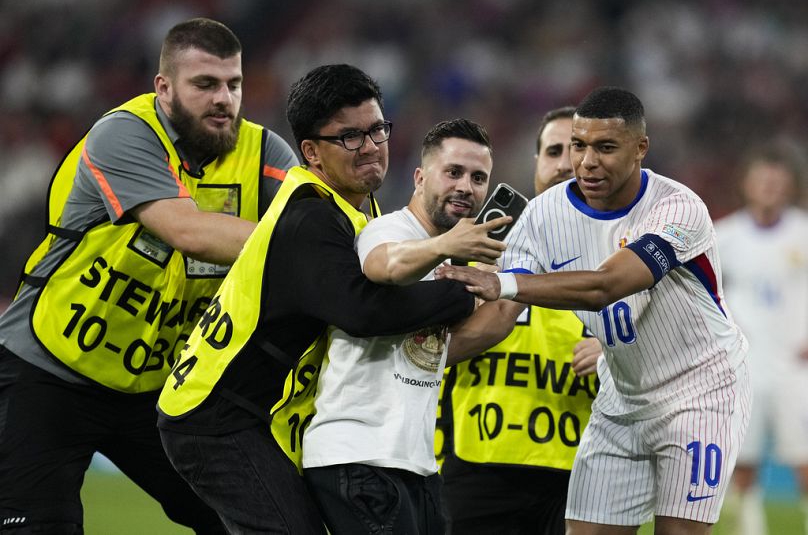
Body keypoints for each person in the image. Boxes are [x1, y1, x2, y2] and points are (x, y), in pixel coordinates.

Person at [157, 65, 488, 534]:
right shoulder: (310, 216)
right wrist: (460, 295)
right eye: (350, 137)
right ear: (311, 151)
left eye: (377, 129)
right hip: (215, 417)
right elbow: (361, 311)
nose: (371, 146)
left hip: (250, 409)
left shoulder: (355, 208)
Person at [0, 17, 299, 533]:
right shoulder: (124, 133)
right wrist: (313, 247)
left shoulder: (266, 156)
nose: (223, 99)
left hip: (156, 388)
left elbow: (321, 224)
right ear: (163, 88)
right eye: (204, 84)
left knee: (247, 518)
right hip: (48, 369)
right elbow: (185, 229)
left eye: (233, 84)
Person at [437, 86, 751, 534]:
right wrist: (425, 358)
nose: (585, 162)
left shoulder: (678, 209)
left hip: (698, 390)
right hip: (622, 395)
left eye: (605, 148)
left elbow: (607, 286)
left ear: (641, 148)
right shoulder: (544, 214)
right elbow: (501, 315)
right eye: (578, 146)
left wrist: (502, 282)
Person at [300, 118, 508, 535]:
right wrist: (446, 247)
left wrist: (508, 278)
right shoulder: (390, 229)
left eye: (478, 177)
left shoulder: (452, 259)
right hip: (359, 456)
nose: (466, 186)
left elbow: (467, 340)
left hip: (415, 464)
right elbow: (383, 266)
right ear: (420, 177)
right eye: (454, 172)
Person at [439, 106, 602, 535]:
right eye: (554, 151)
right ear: (537, 163)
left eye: (579, 151)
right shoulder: (477, 244)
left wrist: (612, 349)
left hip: (580, 470)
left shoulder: (623, 260)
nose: (566, 163)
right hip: (477, 463)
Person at [715, 144, 808, 535]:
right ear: (747, 185)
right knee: (745, 455)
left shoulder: (803, 232)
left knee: (803, 455)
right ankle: (751, 527)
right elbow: (707, 294)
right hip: (747, 363)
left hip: (797, 362)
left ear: (789, 187)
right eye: (763, 180)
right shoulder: (724, 236)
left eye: (777, 181)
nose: (770, 188)